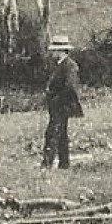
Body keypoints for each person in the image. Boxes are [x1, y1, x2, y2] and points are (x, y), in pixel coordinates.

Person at [43, 34, 83, 169]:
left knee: (52, 133)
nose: (53, 53)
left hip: (62, 105)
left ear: (61, 51)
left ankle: (47, 163)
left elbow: (70, 87)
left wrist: (56, 98)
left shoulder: (69, 66)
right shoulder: (59, 65)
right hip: (58, 105)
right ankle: (64, 163)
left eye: (54, 50)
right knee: (61, 134)